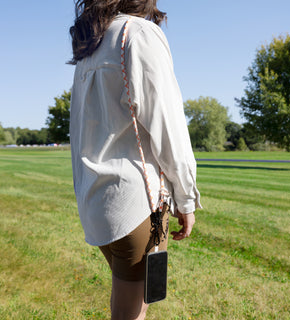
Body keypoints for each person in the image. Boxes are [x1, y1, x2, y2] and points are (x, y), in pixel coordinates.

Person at [69, 0, 201, 319]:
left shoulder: (92, 46)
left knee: (127, 302)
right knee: (132, 314)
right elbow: (167, 124)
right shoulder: (139, 33)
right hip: (137, 204)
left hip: (97, 202)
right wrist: (186, 197)